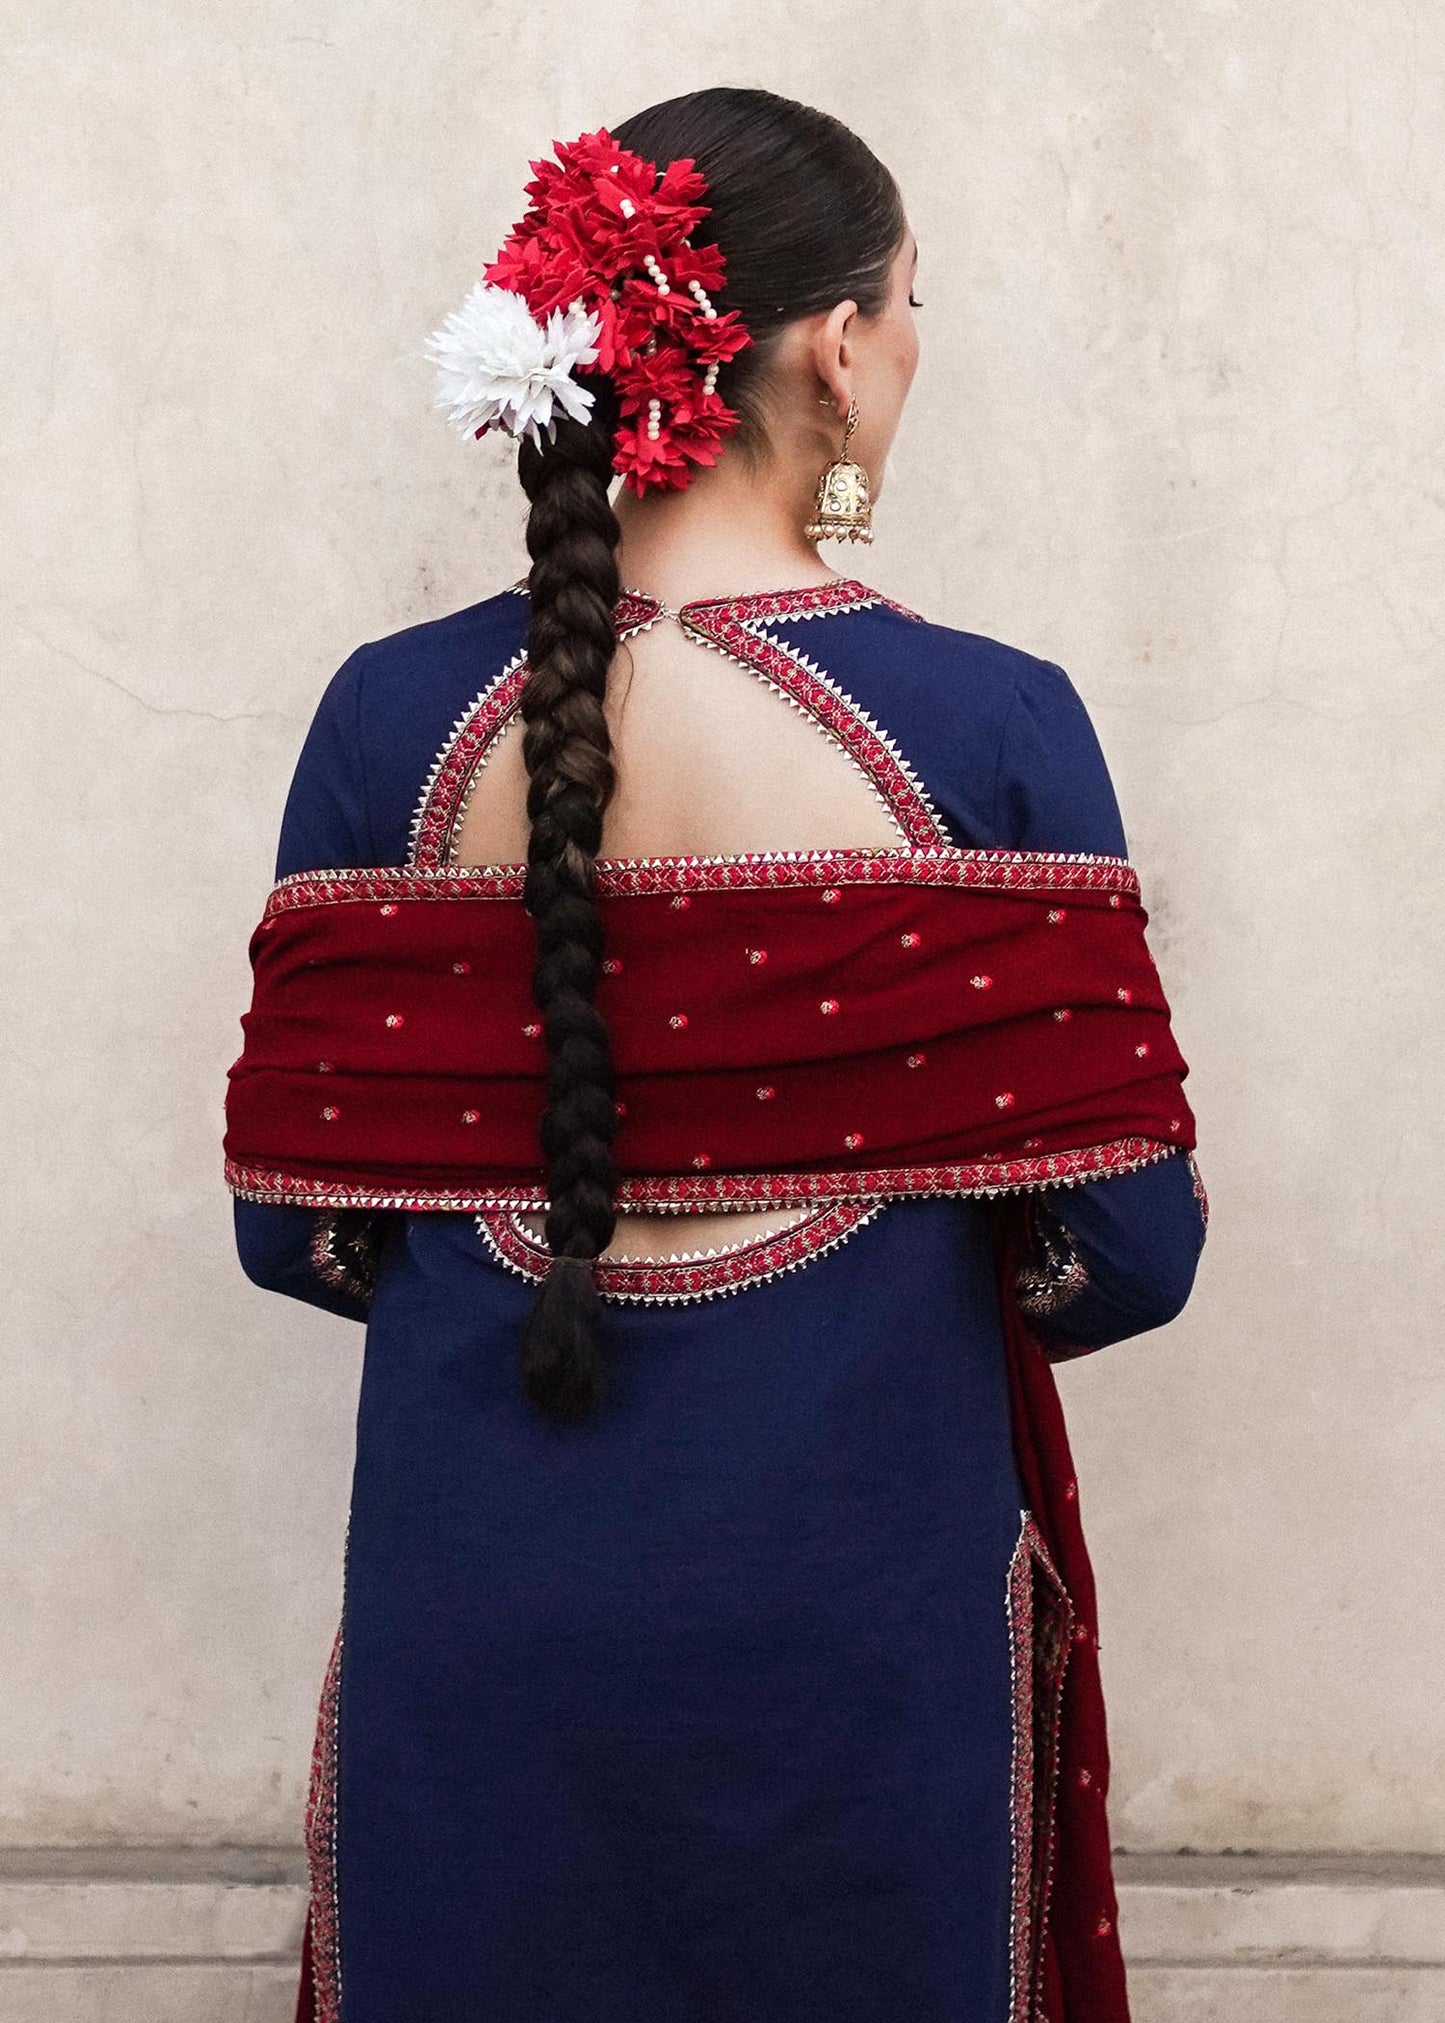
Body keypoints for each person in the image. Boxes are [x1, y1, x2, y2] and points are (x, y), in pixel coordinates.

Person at [227, 87, 1207, 2023]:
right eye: (911, 305)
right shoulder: (985, 725)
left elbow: (303, 1233)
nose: (908, 349)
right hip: (856, 1607)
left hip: (474, 1592)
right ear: (837, 345)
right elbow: (1125, 1252)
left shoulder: (391, 721)